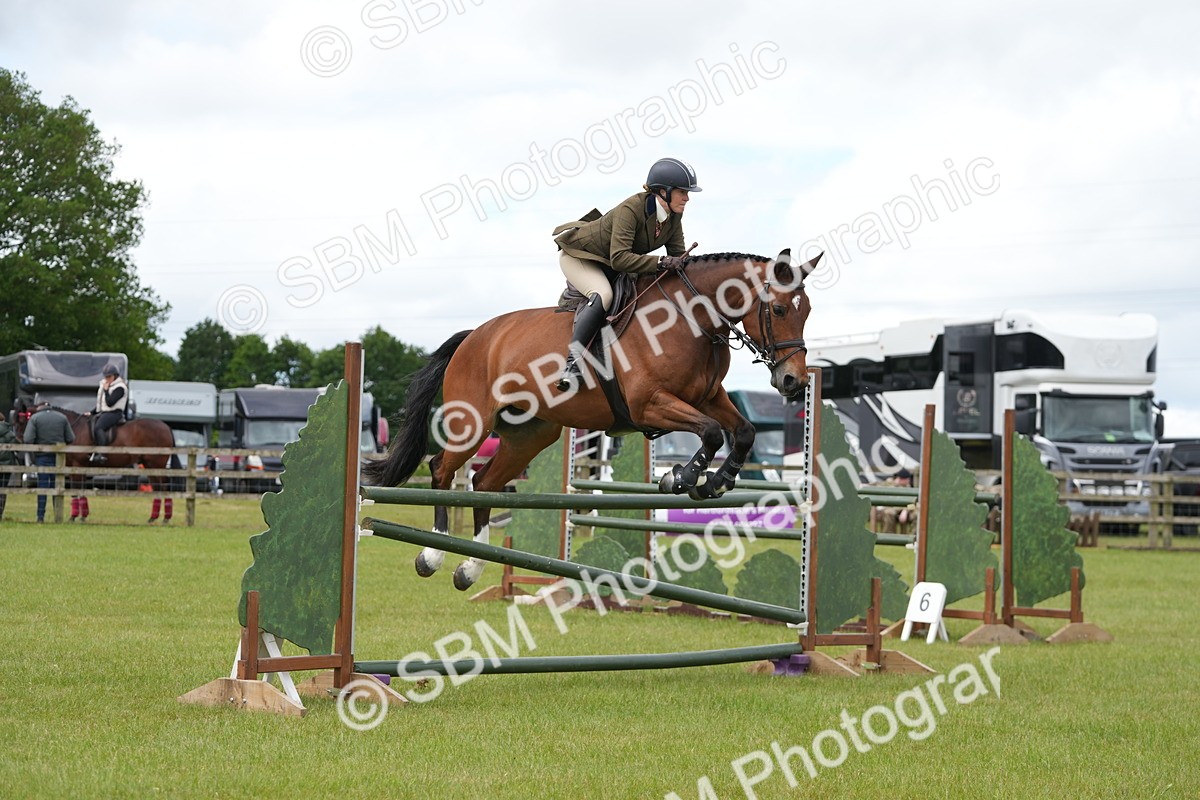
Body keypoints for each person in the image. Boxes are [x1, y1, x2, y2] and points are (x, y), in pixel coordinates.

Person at [551, 157, 701, 391]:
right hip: (581, 257)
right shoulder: (631, 209)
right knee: (603, 294)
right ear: (663, 191)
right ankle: (572, 364)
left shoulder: (673, 216)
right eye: (683, 191)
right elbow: (620, 258)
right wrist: (661, 261)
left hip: (611, 261)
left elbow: (679, 257)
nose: (688, 197)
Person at [22, 402, 75, 523]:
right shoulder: (62, 417)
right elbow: (71, 438)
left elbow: (28, 438)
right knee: (57, 486)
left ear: (39, 408)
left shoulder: (35, 418)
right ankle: (58, 515)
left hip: (42, 457)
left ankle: (40, 516)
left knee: (43, 486)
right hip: (58, 458)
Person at [89, 363, 128, 464]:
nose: (107, 379)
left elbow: (110, 403)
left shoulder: (120, 387)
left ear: (115, 376)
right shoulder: (106, 384)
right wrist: (91, 412)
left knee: (99, 427)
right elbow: (101, 403)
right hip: (104, 412)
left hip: (115, 413)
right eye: (106, 376)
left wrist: (106, 391)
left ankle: (102, 453)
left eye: (109, 376)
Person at [0, 412, 18, 522]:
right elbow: (16, 446)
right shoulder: (9, 433)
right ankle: (0, 513)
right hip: (6, 466)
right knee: (2, 490)